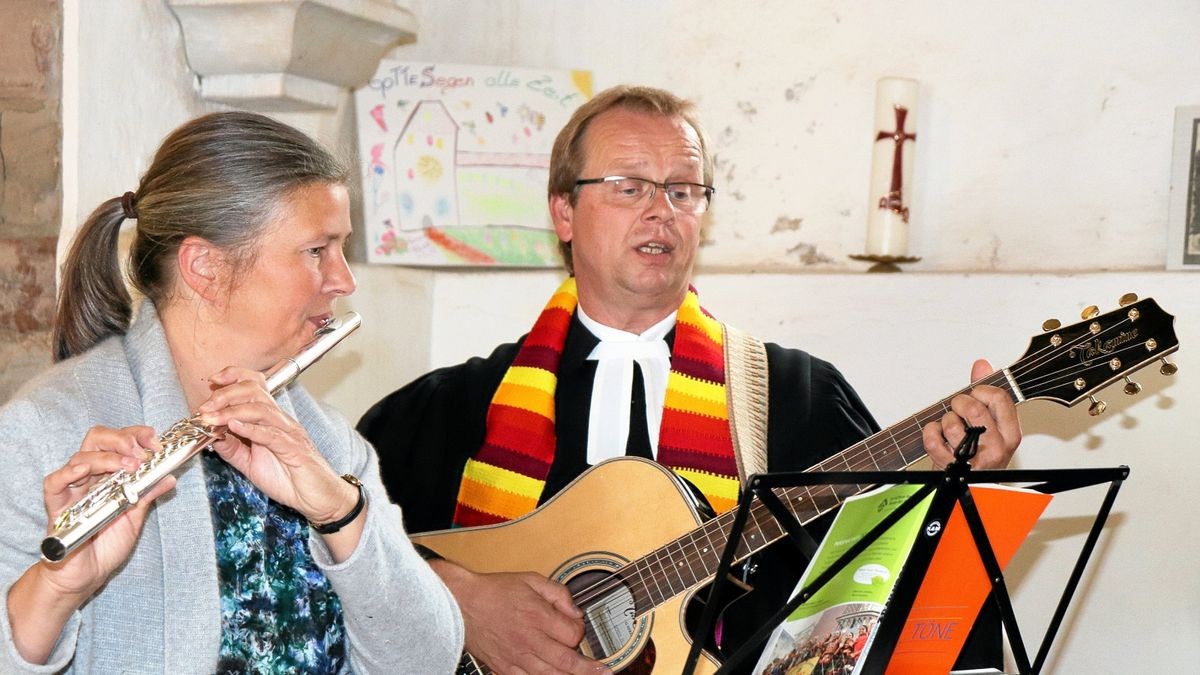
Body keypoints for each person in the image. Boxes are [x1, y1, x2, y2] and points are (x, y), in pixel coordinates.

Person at [358, 85, 1021, 674]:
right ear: (563, 212)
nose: (660, 212)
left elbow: (898, 609)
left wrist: (967, 478)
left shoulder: (797, 397)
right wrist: (460, 597)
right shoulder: (446, 411)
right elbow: (317, 566)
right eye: (628, 185)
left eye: (683, 190)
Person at [0, 112, 463, 673]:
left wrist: (343, 513)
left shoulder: (325, 441)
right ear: (205, 266)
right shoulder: (44, 432)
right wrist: (57, 586)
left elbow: (430, 658)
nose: (344, 280)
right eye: (317, 250)